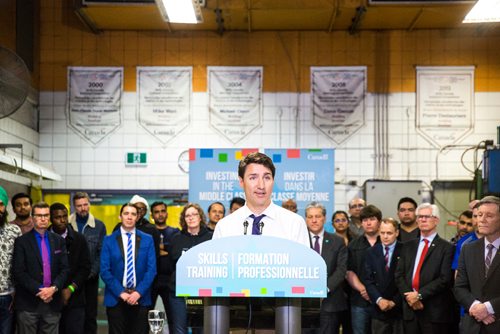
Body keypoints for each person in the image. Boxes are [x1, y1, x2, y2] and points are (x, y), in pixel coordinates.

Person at [213, 152, 309, 247]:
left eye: (267, 178)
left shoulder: (295, 223)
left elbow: (304, 262)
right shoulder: (224, 226)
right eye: (253, 178)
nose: (261, 186)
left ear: (273, 181)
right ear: (241, 181)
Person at [394, 203, 455, 334]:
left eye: (427, 216)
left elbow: (445, 279)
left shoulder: (447, 247)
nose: (422, 219)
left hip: (433, 311)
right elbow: (399, 275)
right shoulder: (408, 246)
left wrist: (419, 295)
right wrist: (410, 298)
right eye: (420, 216)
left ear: (436, 220)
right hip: (410, 310)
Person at [13, 202, 69, 334]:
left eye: (46, 215)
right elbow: (19, 272)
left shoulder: (59, 241)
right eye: (39, 215)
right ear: (32, 218)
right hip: (28, 303)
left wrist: (53, 289)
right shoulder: (22, 241)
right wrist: (41, 291)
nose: (43, 219)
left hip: (52, 302)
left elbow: (65, 269)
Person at [100, 203, 156, 334]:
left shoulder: (148, 239)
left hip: (140, 298)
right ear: (120, 216)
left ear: (137, 217)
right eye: (126, 213)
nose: (129, 217)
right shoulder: (108, 240)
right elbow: (104, 270)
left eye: (133, 214)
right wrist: (122, 294)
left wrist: (137, 293)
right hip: (116, 298)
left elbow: (151, 270)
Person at [454, 195, 500, 333]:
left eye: (489, 215)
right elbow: (459, 287)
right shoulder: (468, 249)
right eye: (479, 215)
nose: (482, 220)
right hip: (472, 327)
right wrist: (476, 307)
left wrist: (488, 308)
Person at [305, 202, 350, 334]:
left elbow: (341, 270)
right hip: (303, 303)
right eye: (310, 217)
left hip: (330, 302)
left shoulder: (337, 241)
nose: (314, 220)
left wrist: (323, 289)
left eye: (318, 216)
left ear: (324, 218)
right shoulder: (298, 241)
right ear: (306, 219)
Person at [168, 203, 212, 334]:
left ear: (200, 217)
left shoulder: (211, 237)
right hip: (178, 292)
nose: (191, 218)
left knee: (201, 330)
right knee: (179, 329)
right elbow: (172, 264)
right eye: (187, 215)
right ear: (184, 219)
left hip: (203, 292)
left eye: (194, 214)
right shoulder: (176, 239)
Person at [49, 203, 91, 334]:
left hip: (75, 297)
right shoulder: (44, 238)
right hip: (50, 297)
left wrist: (70, 289)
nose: (62, 220)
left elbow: (85, 267)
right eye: (57, 217)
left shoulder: (79, 239)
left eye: (64, 216)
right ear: (51, 218)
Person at [68, 192, 106, 334]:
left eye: (85, 204)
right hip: (70, 280)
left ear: (89, 204)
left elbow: (101, 254)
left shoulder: (99, 226)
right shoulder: (67, 224)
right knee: (71, 316)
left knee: (90, 317)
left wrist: (89, 274)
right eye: (79, 206)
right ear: (74, 206)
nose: (83, 208)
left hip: (91, 279)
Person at [362, 218, 403, 334]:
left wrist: (394, 301)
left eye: (389, 233)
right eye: (382, 233)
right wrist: (379, 300)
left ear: (397, 233)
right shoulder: (371, 252)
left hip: (399, 309)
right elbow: (368, 280)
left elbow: (407, 279)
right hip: (378, 308)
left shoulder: (405, 250)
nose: (385, 236)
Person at [346, 204, 382, 334]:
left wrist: (375, 293)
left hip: (383, 299)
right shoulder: (353, 245)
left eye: (372, 219)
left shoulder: (387, 242)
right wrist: (364, 290)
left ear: (379, 222)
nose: (368, 223)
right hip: (359, 300)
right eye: (365, 220)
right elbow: (349, 271)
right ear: (361, 223)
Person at [150, 201, 179, 330]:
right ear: (152, 215)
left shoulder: (175, 233)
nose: (160, 214)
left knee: (173, 317)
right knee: (144, 316)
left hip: (170, 279)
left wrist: (162, 248)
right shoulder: (148, 232)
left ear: (167, 213)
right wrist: (164, 249)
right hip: (151, 280)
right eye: (156, 212)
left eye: (162, 211)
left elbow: (174, 251)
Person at [0, 186, 22, 334]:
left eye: (1, 204)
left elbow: (20, 264)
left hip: (8, 296)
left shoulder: (14, 231)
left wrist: (16, 291)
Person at [452, 204, 482, 271]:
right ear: (457, 223)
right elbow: (458, 272)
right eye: (462, 223)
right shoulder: (461, 243)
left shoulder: (489, 239)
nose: (465, 227)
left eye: (469, 224)